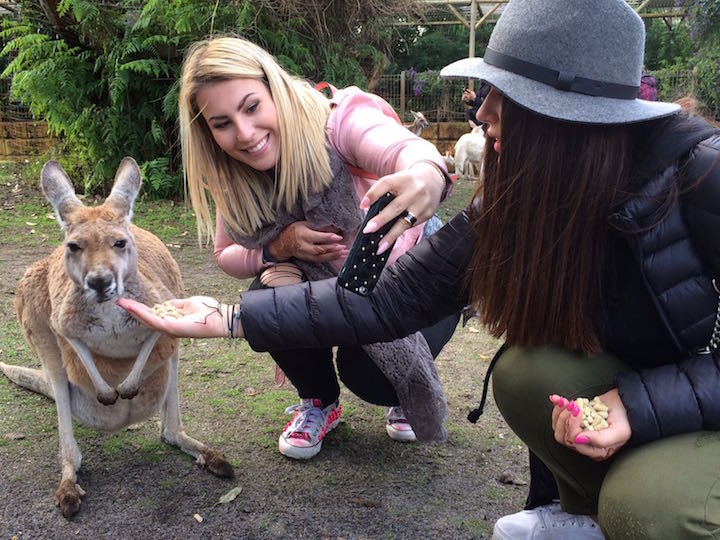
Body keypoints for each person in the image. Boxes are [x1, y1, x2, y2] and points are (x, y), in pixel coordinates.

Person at [120, 1, 720, 538]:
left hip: (694, 398)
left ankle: (632, 507)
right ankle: (579, 513)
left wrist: (638, 405)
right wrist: (228, 318)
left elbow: (398, 148)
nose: (481, 114)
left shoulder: (703, 178)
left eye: (501, 98)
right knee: (526, 373)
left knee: (648, 505)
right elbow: (390, 301)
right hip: (665, 389)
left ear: (567, 117)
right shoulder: (531, 189)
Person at [176, 37, 459, 461]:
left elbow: (400, 147)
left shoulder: (338, 121)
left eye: (251, 107)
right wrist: (278, 246)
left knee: (369, 376)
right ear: (207, 131)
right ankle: (319, 402)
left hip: (407, 274)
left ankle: (401, 386)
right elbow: (226, 254)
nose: (245, 134)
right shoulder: (231, 175)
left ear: (275, 88)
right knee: (267, 297)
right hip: (330, 286)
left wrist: (427, 172)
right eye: (222, 123)